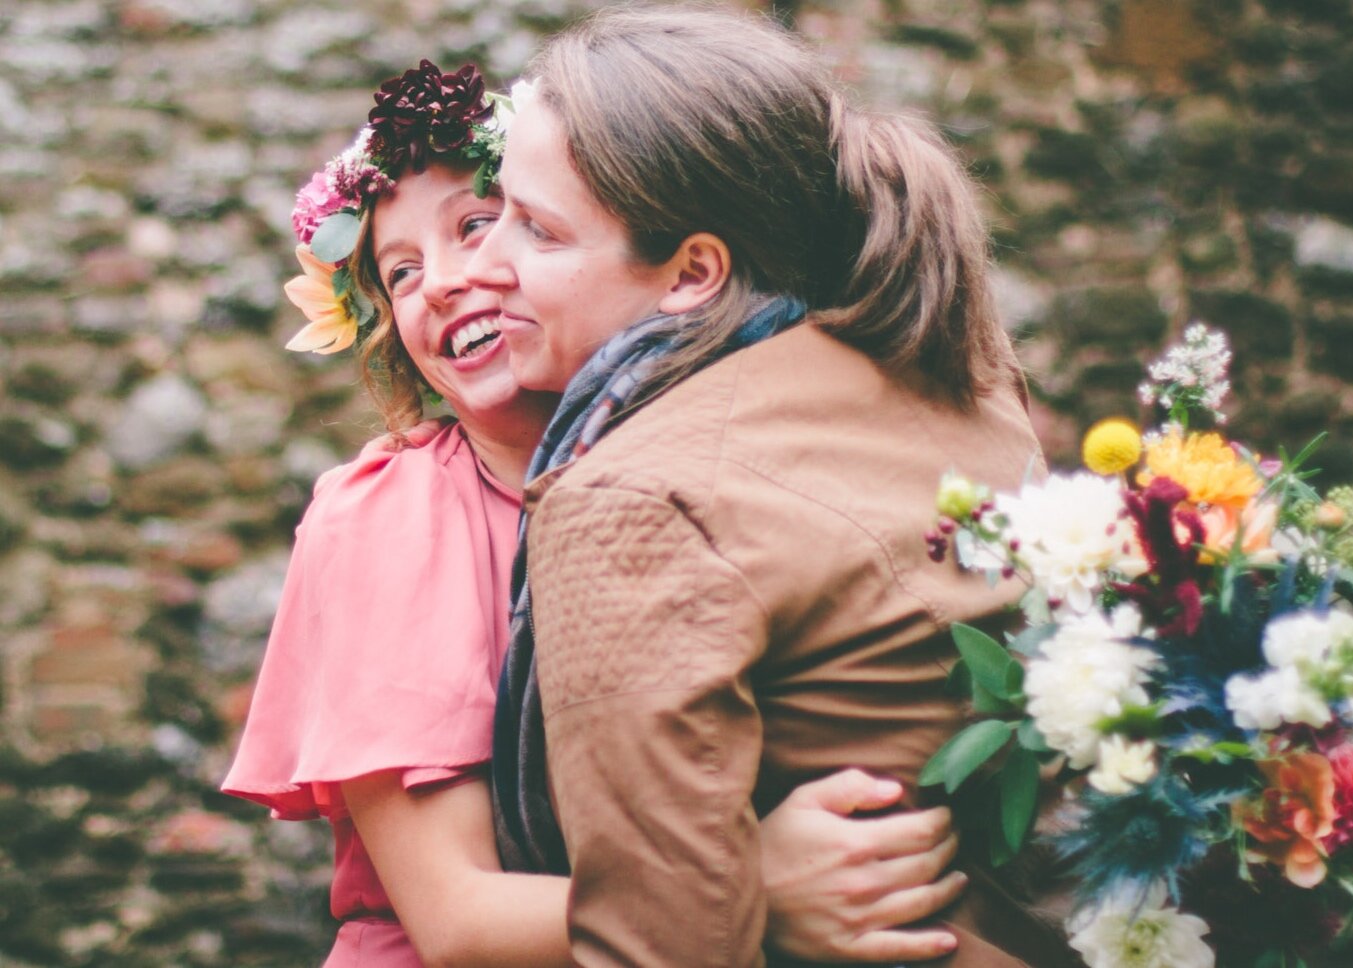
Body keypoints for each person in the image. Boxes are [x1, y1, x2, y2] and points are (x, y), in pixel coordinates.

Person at [223, 60, 971, 968]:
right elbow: (454, 918)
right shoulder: (397, 520)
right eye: (402, 272)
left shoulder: (693, 448)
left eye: (484, 226)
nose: (450, 280)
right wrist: (755, 887)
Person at [464, 8, 1076, 968]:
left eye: (537, 231)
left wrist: (738, 890)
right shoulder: (957, 379)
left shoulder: (631, 497)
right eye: (494, 210)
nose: (483, 262)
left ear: (692, 274)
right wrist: (757, 875)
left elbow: (654, 945)